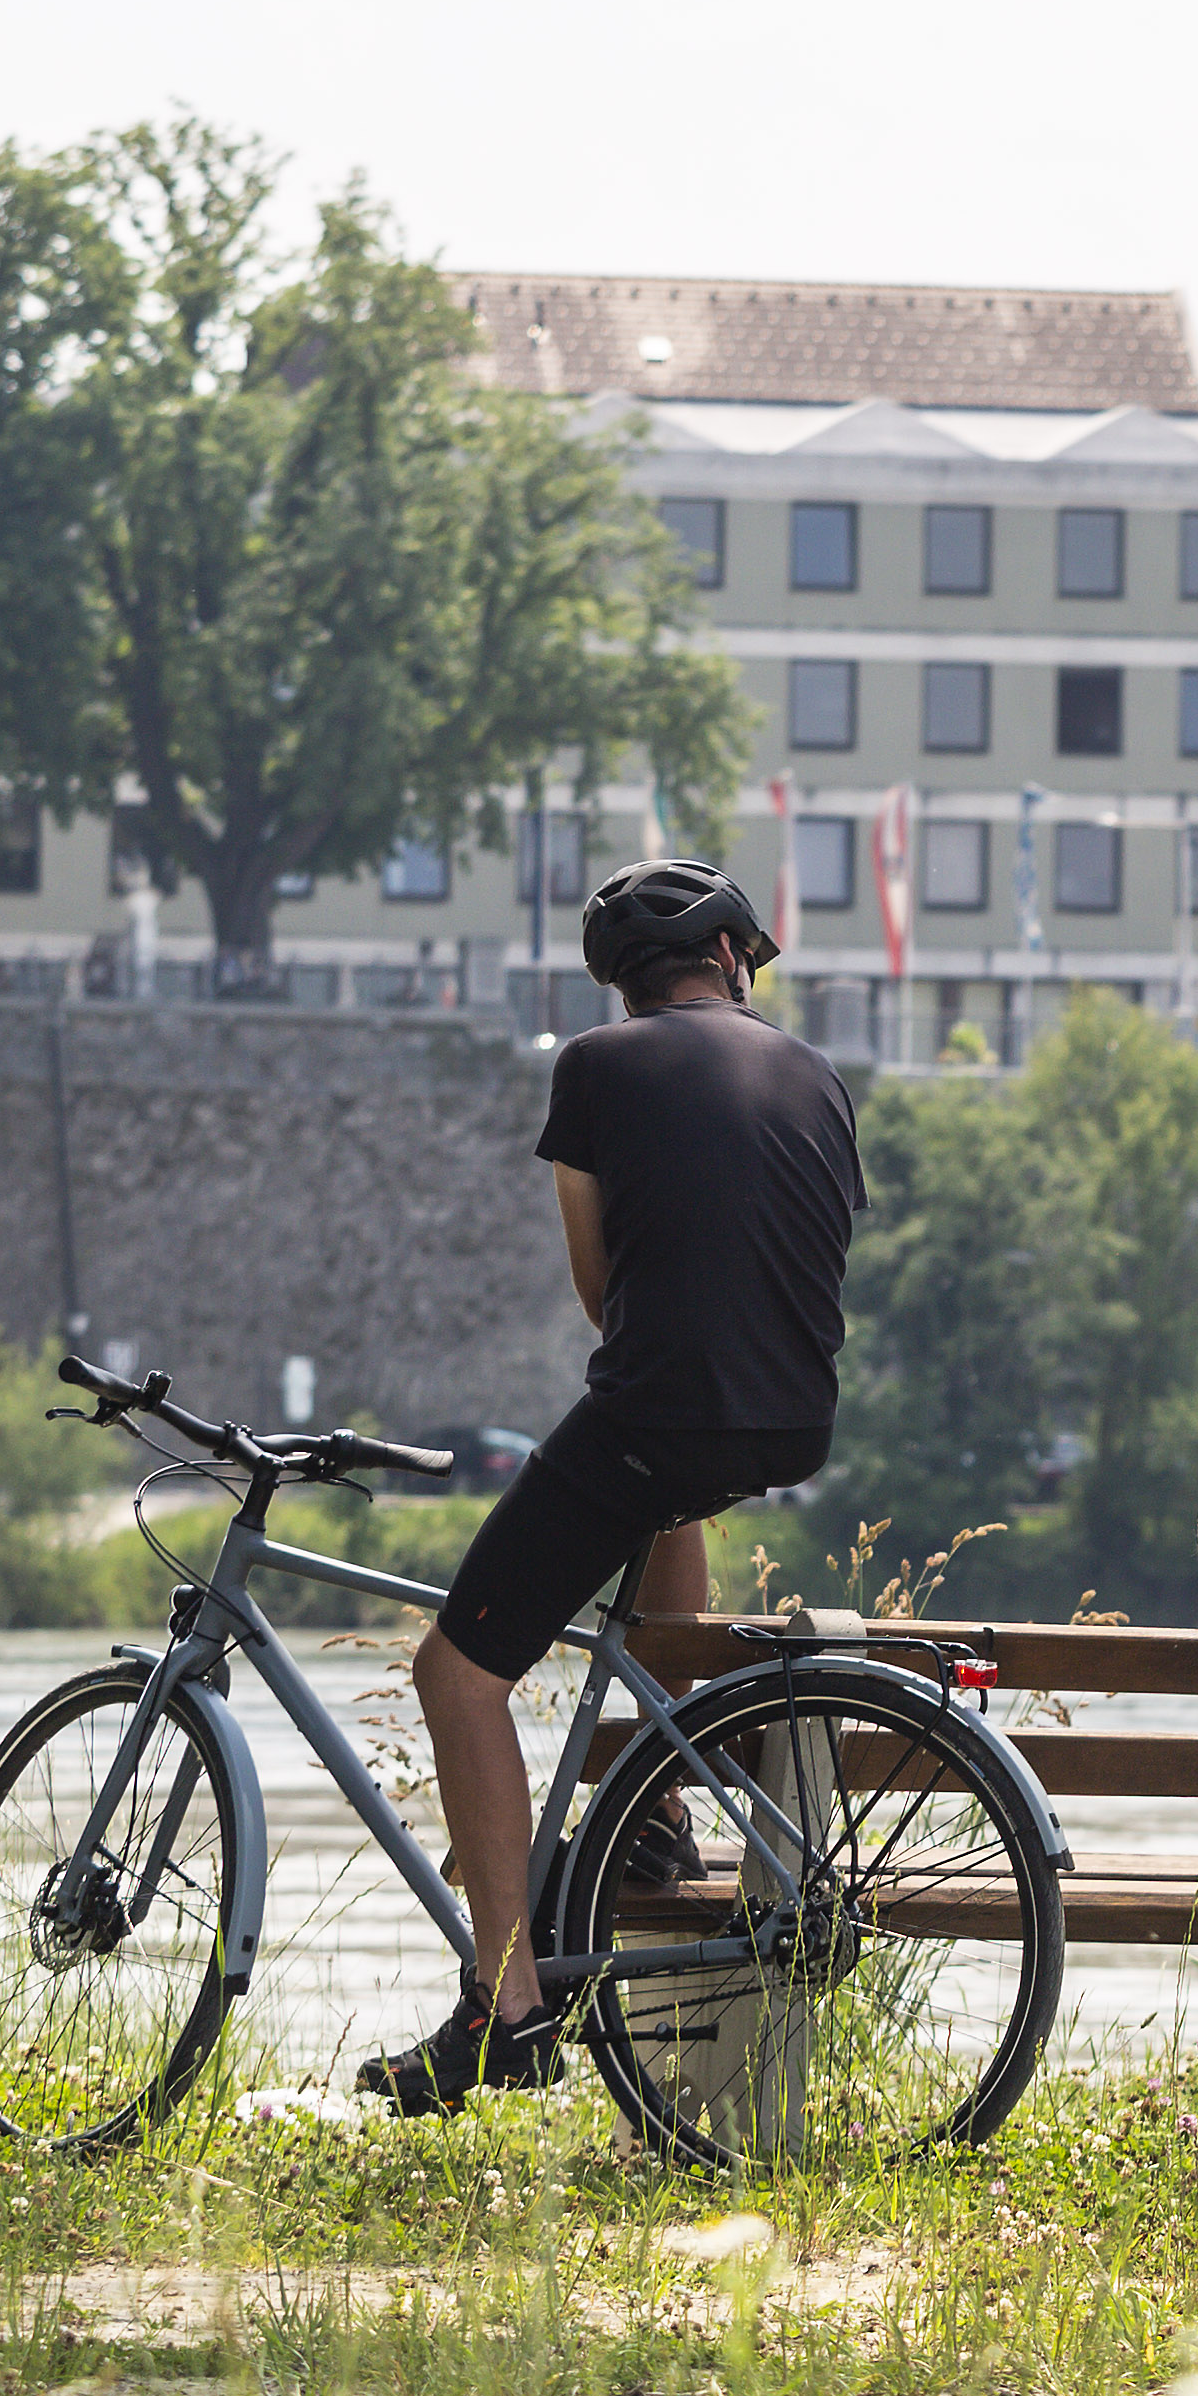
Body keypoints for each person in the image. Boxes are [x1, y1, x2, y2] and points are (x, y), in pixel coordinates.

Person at [360, 856, 864, 2112]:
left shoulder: (593, 1067)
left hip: (665, 1409)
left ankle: (506, 2003)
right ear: (733, 957)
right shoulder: (816, 1072)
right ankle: (660, 1803)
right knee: (665, 1490)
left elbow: (601, 1288)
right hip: (794, 1419)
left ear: (621, 981)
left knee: (457, 1670)